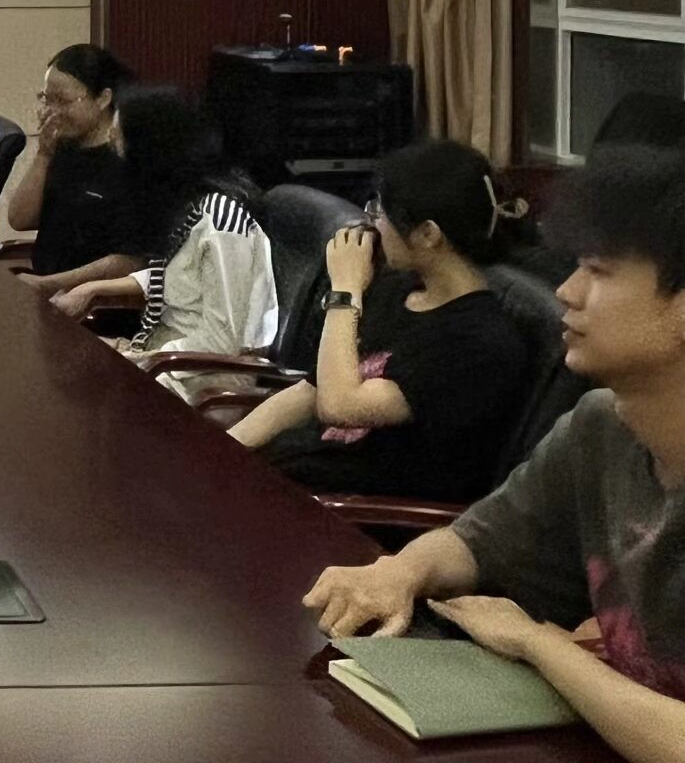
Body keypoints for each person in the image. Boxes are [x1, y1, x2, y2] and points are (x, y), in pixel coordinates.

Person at [302, 146, 685, 763]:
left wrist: (537, 644)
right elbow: (477, 540)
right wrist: (399, 573)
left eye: (599, 272)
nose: (566, 291)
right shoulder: (598, 427)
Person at [229, 140, 532, 500]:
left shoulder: (479, 343)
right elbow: (311, 391)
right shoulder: (397, 288)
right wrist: (225, 449)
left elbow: (340, 407)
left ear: (428, 234)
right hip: (303, 473)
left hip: (357, 509)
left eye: (380, 212)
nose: (372, 222)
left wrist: (345, 291)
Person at [49, 90, 277, 387]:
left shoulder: (221, 222)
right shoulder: (182, 205)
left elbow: (222, 342)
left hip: (205, 375)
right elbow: (182, 277)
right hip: (169, 355)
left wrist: (138, 357)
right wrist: (92, 289)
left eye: (118, 144)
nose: (114, 156)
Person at [5, 44, 145, 295]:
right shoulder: (63, 145)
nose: (52, 111)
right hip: (46, 287)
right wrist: (43, 154)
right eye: (47, 99)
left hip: (95, 300)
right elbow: (20, 219)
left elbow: (128, 261)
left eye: (63, 101)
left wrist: (49, 284)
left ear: (103, 99)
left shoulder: (128, 160)